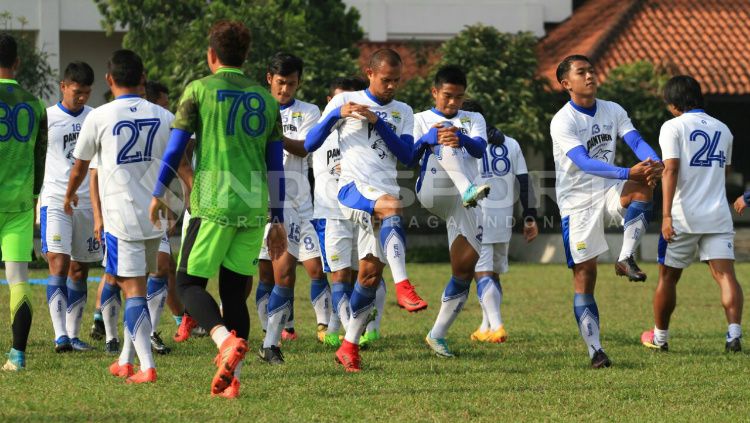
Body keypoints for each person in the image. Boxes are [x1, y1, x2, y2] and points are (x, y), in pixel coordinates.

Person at [150, 21, 286, 398]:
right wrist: (278, 218)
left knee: (189, 283)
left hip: (213, 202)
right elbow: (276, 164)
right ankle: (233, 380)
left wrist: (160, 190)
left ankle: (224, 340)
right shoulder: (266, 99)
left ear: (212, 55)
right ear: (246, 56)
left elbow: (176, 149)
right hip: (255, 207)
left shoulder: (198, 90)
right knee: (233, 293)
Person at [306, 49, 426, 371]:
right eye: (386, 80)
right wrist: (335, 116)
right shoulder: (345, 100)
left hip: (381, 192)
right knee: (393, 206)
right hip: (351, 190)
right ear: (369, 73)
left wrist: (378, 122)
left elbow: (407, 155)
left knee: (370, 276)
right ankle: (403, 286)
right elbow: (309, 144)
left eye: (397, 80)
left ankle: (349, 346)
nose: (392, 86)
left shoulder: (403, 111)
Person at [65, 49, 173, 384]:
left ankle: (147, 366)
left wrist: (69, 194)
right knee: (133, 284)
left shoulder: (99, 117)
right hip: (157, 218)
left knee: (133, 291)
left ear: (110, 79)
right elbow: (180, 161)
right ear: (142, 78)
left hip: (120, 219)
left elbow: (81, 166)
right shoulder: (164, 115)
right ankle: (126, 360)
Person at [550, 54, 663, 368]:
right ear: (565, 83)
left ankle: (626, 257)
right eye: (581, 72)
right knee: (585, 276)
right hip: (577, 203)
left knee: (645, 186)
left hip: (610, 190)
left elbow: (636, 140)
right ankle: (595, 351)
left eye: (591, 70)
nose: (590, 76)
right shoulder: (563, 120)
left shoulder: (613, 109)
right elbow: (584, 163)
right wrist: (630, 172)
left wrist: (654, 163)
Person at [641, 75, 743, 352]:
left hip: (683, 215)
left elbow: (671, 169)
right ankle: (734, 334)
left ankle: (659, 338)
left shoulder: (672, 126)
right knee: (726, 276)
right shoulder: (724, 129)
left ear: (674, 104)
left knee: (668, 277)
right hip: (718, 214)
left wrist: (665, 216)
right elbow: (725, 171)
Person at [256, 53, 329, 358]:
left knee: (288, 272)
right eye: (281, 82)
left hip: (293, 203)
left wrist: (274, 136)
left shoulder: (309, 111)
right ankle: (265, 331)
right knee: (264, 276)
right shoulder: (254, 107)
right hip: (255, 200)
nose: (286, 89)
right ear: (269, 79)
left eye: (292, 83)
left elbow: (306, 147)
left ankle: (272, 343)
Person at [412, 65, 487, 357]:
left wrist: (462, 137)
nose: (453, 102)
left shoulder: (474, 118)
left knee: (465, 268)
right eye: (447, 96)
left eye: (458, 97)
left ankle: (437, 334)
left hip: (462, 199)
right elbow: (409, 155)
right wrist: (430, 138)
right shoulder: (419, 119)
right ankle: (468, 188)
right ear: (434, 92)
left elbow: (480, 149)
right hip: (433, 188)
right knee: (443, 134)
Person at [310, 76, 385, 348]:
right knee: (338, 276)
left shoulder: (362, 131)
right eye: (341, 100)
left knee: (365, 275)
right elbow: (302, 147)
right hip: (331, 214)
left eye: (352, 101)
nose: (348, 106)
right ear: (330, 101)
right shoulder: (318, 128)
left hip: (362, 212)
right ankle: (346, 334)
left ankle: (353, 329)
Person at [460, 99, 539, 343]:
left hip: (476, 215)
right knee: (492, 275)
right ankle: (486, 327)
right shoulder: (511, 143)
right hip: (503, 218)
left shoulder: (462, 146)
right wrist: (530, 216)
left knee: (481, 274)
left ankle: (498, 325)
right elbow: (524, 182)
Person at [41, 61, 101, 353]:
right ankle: (60, 335)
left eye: (87, 93)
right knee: (58, 262)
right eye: (77, 91)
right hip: (55, 199)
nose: (82, 98)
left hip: (87, 203)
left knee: (80, 268)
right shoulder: (47, 117)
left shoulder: (95, 117)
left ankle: (75, 335)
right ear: (63, 86)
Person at [0, 33, 48, 371]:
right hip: (18, 203)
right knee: (18, 279)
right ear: (17, 62)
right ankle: (17, 356)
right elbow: (40, 157)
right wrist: (34, 197)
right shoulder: (35, 105)